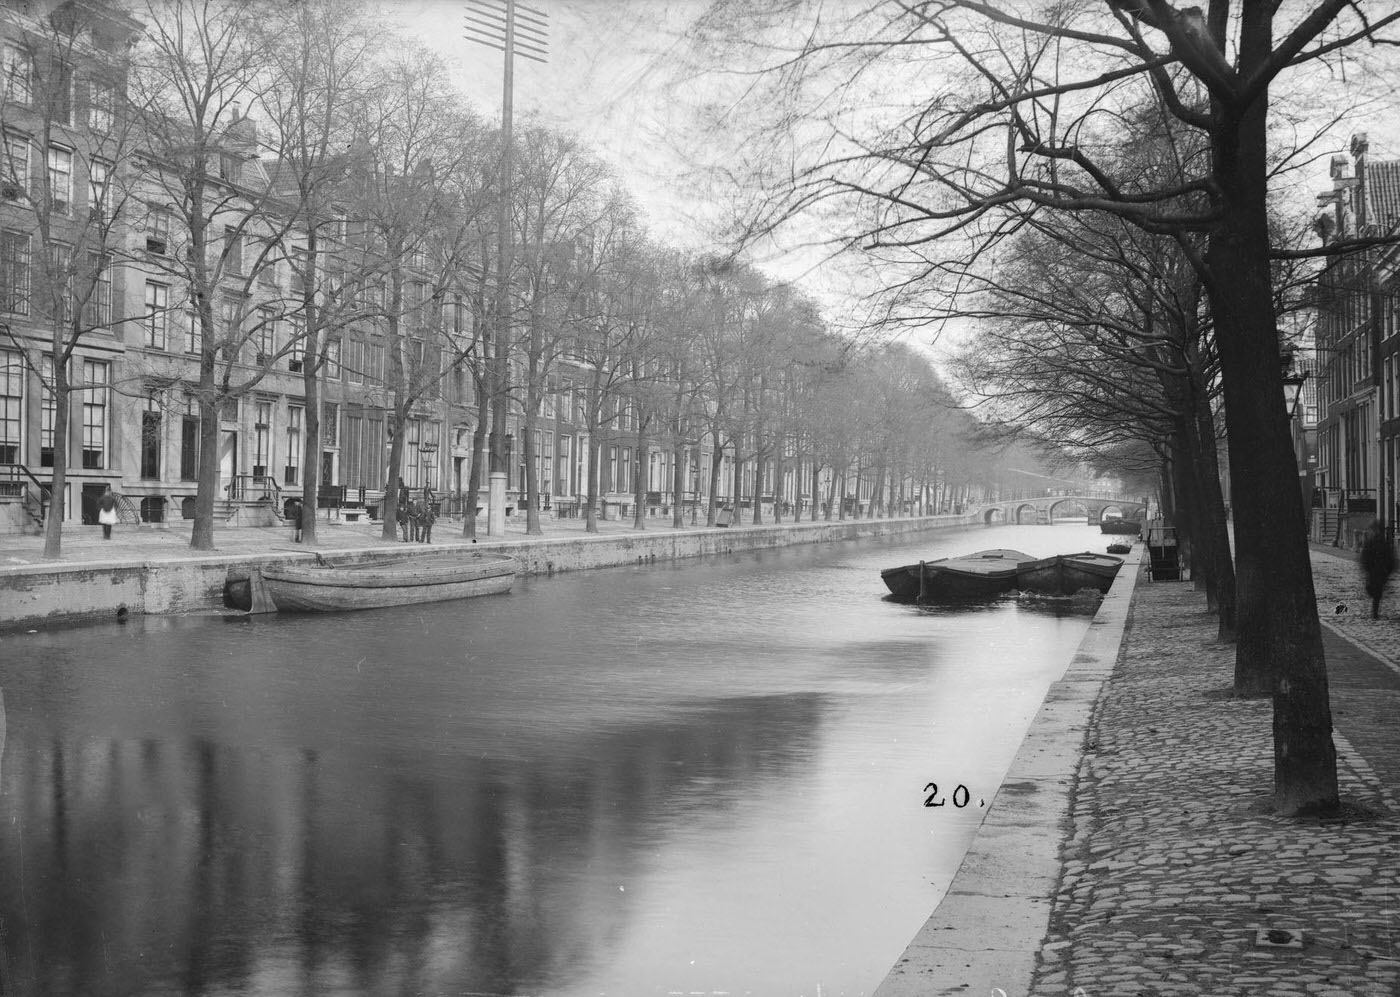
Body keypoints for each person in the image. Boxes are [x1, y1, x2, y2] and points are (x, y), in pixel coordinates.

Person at [1360, 521, 1395, 619]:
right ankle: (1374, 611)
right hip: (1378, 572)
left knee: (1376, 592)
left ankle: (1374, 611)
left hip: (1377, 572)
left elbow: (1389, 558)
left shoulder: (1378, 543)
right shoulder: (1379, 543)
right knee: (1376, 592)